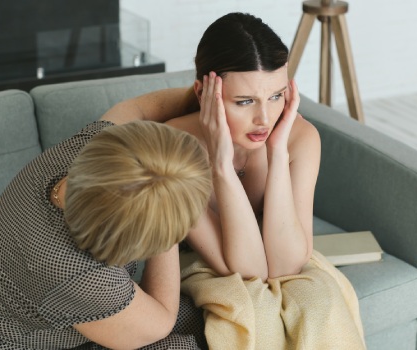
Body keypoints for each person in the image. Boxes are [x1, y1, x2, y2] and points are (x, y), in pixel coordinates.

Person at [110, 12, 366, 349]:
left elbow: (290, 263)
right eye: (245, 101)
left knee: (319, 306)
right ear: (204, 93)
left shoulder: (297, 138)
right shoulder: (169, 147)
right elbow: (249, 273)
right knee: (255, 311)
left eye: (276, 96)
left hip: (273, 252)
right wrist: (220, 165)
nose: (264, 118)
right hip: (205, 262)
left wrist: (277, 155)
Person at [0, 120, 212, 349]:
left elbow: (136, 108)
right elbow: (160, 321)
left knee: (208, 315)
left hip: (23, 324)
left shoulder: (88, 152)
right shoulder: (77, 273)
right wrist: (171, 224)